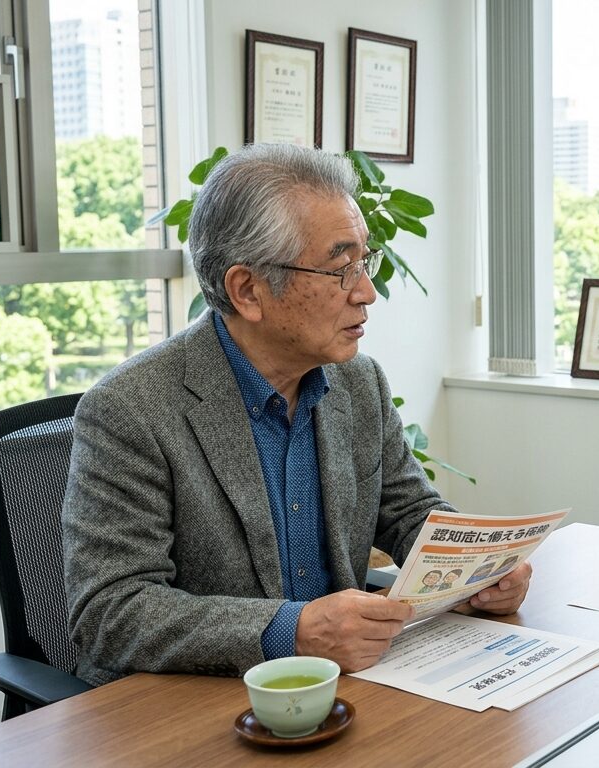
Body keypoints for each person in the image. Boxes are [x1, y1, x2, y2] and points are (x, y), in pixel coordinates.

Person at [62, 143, 532, 687]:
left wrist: (475, 572)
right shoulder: (131, 409)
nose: (366, 292)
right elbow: (111, 610)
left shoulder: (359, 382)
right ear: (247, 290)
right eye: (340, 269)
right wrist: (292, 630)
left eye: (365, 262)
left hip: (343, 687)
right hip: (198, 698)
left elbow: (408, 512)